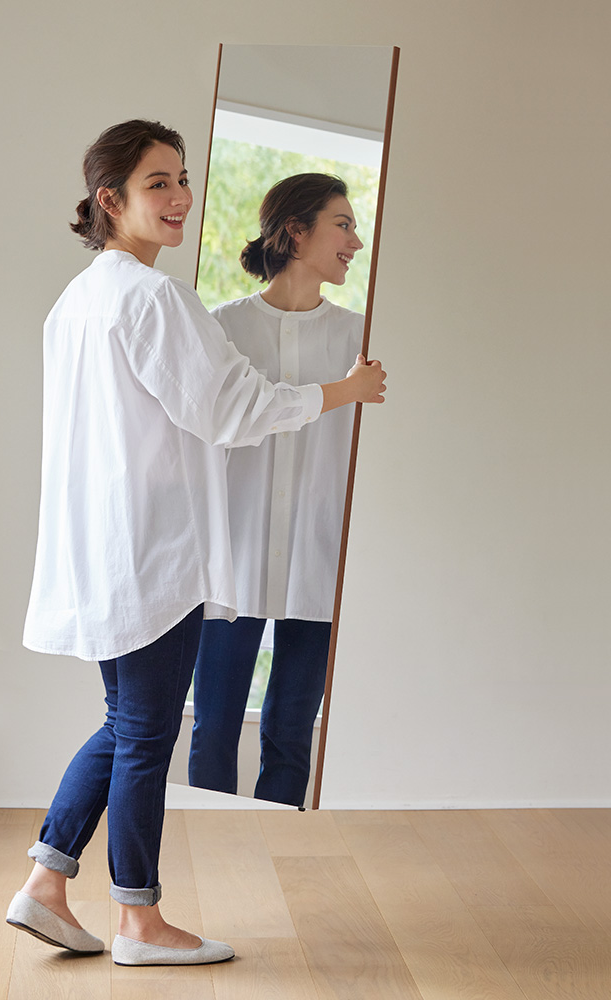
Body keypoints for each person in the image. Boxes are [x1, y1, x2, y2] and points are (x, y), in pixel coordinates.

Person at [9, 122, 385, 968]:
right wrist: (343, 391)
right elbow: (234, 409)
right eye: (159, 183)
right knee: (145, 736)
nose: (180, 196)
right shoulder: (155, 299)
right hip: (155, 553)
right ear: (111, 200)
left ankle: (46, 883)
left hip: (104, 548)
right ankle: (138, 921)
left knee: (127, 724)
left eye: (182, 178)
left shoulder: (77, 301)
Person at [188, 173, 368, 808]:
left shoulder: (361, 340)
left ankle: (278, 848)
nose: (356, 242)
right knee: (212, 728)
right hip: (231, 562)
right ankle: (210, 847)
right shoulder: (221, 329)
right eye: (343, 225)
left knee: (291, 733)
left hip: (319, 559)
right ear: (296, 230)